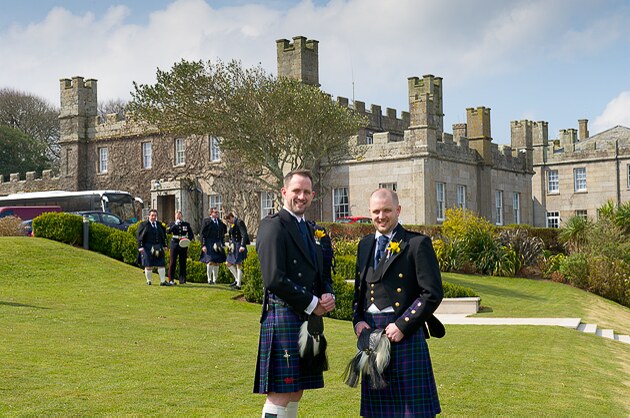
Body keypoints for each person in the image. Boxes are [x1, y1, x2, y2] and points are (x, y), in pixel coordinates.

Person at [352, 188, 444, 417]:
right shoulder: (364, 245)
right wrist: (358, 320)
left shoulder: (416, 243)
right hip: (372, 336)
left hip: (405, 334)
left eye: (386, 210)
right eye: (376, 211)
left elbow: (432, 293)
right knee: (379, 411)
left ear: (398, 210)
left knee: (411, 411)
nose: (381, 216)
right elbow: (359, 292)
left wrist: (402, 325)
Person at [254, 169, 336, 418]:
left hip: (306, 318)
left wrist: (327, 295)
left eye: (306, 192)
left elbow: (321, 272)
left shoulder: (312, 230)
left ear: (313, 195)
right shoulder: (273, 226)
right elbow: (274, 279)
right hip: (284, 316)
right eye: (296, 191)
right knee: (280, 391)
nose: (301, 196)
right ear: (284, 192)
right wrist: (313, 304)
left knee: (296, 389)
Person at [137, 208, 169, 286]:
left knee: (161, 263)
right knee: (149, 264)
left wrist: (165, 245)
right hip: (147, 247)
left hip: (158, 246)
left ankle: (162, 281)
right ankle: (149, 281)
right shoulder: (143, 225)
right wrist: (140, 247)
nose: (154, 217)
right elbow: (139, 236)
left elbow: (163, 236)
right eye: (152, 215)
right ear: (149, 216)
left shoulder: (159, 225)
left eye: (155, 215)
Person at [200, 207, 227, 284]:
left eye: (217, 212)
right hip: (209, 242)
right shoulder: (206, 221)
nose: (217, 214)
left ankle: (215, 279)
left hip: (218, 243)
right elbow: (202, 234)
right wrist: (203, 245)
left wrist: (223, 244)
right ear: (211, 213)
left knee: (217, 262)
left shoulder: (220, 222)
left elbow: (222, 234)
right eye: (215, 212)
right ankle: (209, 279)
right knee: (210, 261)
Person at [224, 212, 250, 290]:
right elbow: (231, 236)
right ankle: (237, 279)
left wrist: (242, 245)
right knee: (228, 263)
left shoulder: (239, 222)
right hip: (234, 245)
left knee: (239, 264)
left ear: (231, 217)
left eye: (228, 220)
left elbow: (244, 234)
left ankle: (239, 285)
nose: (228, 222)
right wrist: (230, 244)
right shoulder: (232, 224)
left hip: (239, 245)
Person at [167, 210, 194, 285]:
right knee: (172, 262)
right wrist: (175, 224)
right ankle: (171, 279)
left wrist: (188, 240)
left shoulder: (186, 224)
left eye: (180, 215)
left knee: (183, 262)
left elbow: (191, 234)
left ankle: (182, 280)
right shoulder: (172, 224)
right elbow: (168, 231)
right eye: (177, 215)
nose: (178, 217)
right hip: (174, 243)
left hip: (183, 243)